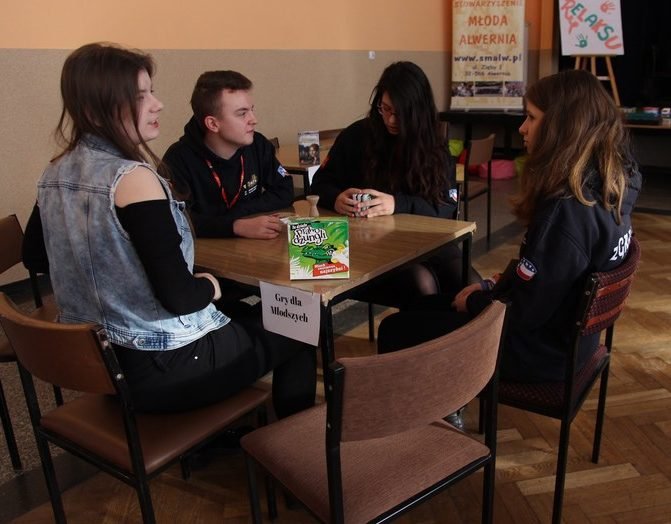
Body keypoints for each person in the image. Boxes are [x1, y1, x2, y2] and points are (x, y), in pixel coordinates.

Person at [23, 43, 316, 417]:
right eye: (141, 96)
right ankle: (289, 435)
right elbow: (181, 297)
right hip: (162, 364)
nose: (157, 104)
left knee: (242, 313)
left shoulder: (55, 171)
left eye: (152, 92)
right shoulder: (133, 179)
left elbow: (36, 256)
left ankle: (224, 427)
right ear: (98, 108)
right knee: (303, 319)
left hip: (97, 361)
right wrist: (211, 285)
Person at [377, 69, 642, 383]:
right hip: (571, 343)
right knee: (424, 306)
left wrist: (476, 302)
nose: (522, 128)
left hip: (538, 354)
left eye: (531, 118)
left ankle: (429, 406)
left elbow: (524, 313)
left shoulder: (565, 212)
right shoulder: (613, 186)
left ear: (562, 127)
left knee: (395, 329)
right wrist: (492, 287)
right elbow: (548, 278)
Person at [310, 61, 480, 307]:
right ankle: (424, 333)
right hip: (374, 247)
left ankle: (455, 333)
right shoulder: (357, 136)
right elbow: (319, 184)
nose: (390, 119)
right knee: (422, 283)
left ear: (418, 112)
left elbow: (446, 207)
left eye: (400, 113)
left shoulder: (433, 145)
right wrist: (336, 198)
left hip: (429, 242)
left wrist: (396, 204)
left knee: (470, 286)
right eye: (385, 109)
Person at [162, 70, 293, 240]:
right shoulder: (177, 160)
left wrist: (239, 215)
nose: (254, 119)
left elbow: (285, 189)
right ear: (213, 124)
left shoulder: (258, 144)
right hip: (205, 251)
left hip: (251, 245)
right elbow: (176, 220)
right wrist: (234, 226)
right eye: (242, 113)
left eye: (252, 110)